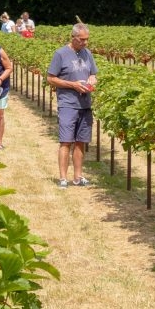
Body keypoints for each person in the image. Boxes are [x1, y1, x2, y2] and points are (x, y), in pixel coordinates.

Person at [47, 24, 98, 188]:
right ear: (73, 37)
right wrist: (72, 85)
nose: (85, 43)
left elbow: (93, 73)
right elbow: (51, 78)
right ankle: (63, 178)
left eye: (87, 40)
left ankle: (78, 176)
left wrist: (92, 79)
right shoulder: (60, 54)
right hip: (68, 104)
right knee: (66, 141)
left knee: (81, 141)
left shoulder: (87, 53)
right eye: (82, 40)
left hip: (85, 104)